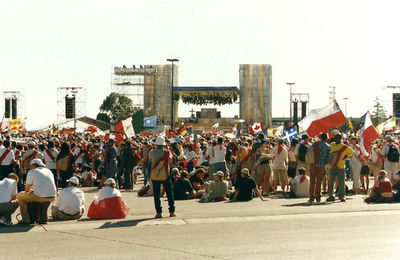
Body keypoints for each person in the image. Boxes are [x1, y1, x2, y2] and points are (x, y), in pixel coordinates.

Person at [16, 159, 57, 224]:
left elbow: (27, 189)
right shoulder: (48, 170)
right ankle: (40, 218)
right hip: (53, 196)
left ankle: (25, 219)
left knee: (20, 196)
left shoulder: (32, 172)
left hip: (40, 196)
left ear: (34, 165)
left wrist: (29, 190)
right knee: (36, 195)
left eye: (31, 165)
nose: (30, 167)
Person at [149, 136, 175, 218]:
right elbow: (170, 161)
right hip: (165, 174)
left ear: (156, 144)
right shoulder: (167, 152)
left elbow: (150, 160)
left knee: (156, 195)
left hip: (155, 175)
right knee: (169, 193)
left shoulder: (151, 152)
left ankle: (159, 212)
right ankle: (171, 211)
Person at [327, 134, 354, 202]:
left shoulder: (344, 147)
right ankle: (331, 196)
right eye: (335, 138)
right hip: (332, 166)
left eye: (338, 138)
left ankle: (342, 196)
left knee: (341, 182)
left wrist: (346, 156)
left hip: (341, 166)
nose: (336, 139)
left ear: (340, 139)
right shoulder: (332, 145)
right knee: (331, 182)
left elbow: (352, 153)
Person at [308, 133, 331, 204]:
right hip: (321, 165)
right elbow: (329, 158)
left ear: (320, 137)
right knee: (319, 181)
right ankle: (318, 196)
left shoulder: (315, 144)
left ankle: (311, 196)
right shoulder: (328, 146)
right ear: (326, 138)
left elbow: (309, 151)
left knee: (312, 180)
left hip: (313, 164)